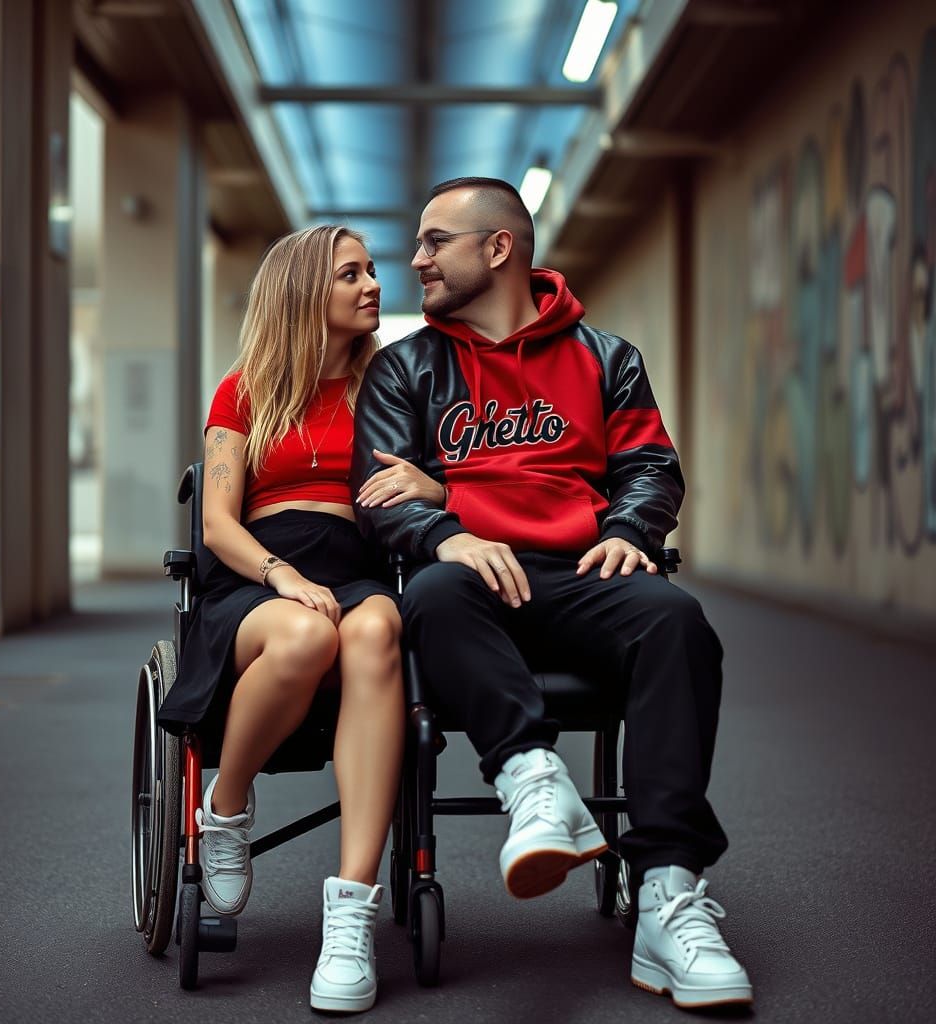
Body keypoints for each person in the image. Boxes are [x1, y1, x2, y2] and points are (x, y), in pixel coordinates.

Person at [352, 178, 753, 1010]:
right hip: (470, 584)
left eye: (435, 241)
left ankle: (668, 897)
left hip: (583, 575)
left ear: (498, 249)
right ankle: (536, 784)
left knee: (677, 620)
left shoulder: (606, 359)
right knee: (431, 591)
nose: (416, 259)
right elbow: (384, 500)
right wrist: (448, 533)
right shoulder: (404, 370)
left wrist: (627, 530)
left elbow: (650, 468)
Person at [157, 224, 443, 1013]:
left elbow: (436, 486)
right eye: (350, 273)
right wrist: (281, 576)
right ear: (303, 291)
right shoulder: (243, 389)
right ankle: (227, 804)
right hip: (255, 577)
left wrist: (433, 490)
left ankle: (351, 912)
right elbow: (218, 521)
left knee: (377, 627)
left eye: (372, 271)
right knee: (307, 630)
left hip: (355, 568)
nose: (374, 284)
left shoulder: (390, 388)